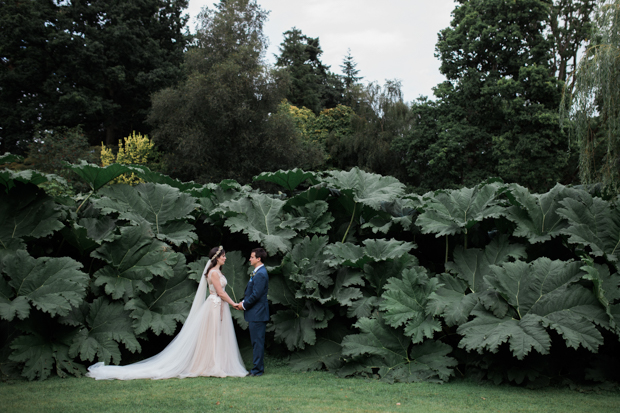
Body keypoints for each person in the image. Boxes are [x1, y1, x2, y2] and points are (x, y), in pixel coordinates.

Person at [86, 246, 248, 380]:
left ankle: (215, 363)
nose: (225, 258)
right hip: (214, 304)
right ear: (217, 257)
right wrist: (234, 303)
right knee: (212, 335)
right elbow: (219, 292)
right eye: (223, 256)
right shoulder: (213, 272)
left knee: (217, 335)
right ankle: (211, 364)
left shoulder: (218, 272)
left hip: (218, 306)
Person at [234, 247, 269, 377]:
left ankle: (257, 370)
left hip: (258, 313)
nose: (250, 259)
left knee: (257, 342)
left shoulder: (260, 274)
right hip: (256, 313)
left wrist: (243, 305)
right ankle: (257, 367)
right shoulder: (257, 272)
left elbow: (256, 295)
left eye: (252, 257)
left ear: (259, 259)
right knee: (256, 341)